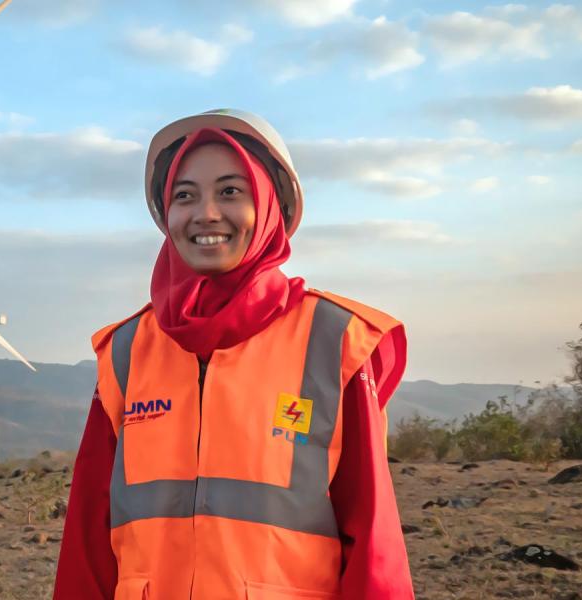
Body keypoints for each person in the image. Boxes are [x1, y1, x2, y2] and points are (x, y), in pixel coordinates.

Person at [52, 109, 414, 599]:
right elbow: (87, 543)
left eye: (230, 191)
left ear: (268, 207)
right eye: (185, 195)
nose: (206, 213)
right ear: (166, 214)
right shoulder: (127, 350)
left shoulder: (334, 339)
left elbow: (373, 539)